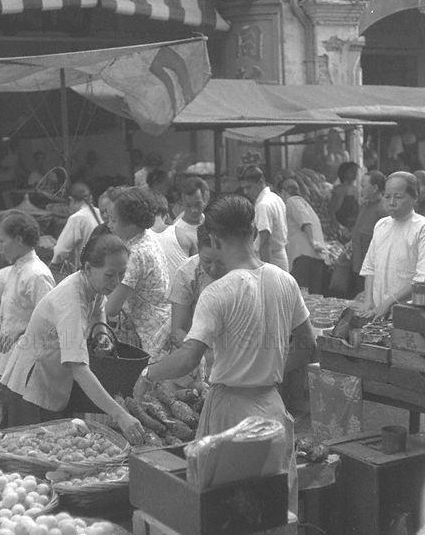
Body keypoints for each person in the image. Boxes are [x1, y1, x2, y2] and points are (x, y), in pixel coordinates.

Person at [134, 194, 315, 513]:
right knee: (273, 513)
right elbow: (309, 347)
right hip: (272, 407)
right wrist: (268, 371)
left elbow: (188, 357)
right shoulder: (285, 281)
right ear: (254, 234)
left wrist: (149, 373)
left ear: (214, 239)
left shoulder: (218, 292)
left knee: (225, 516)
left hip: (231, 413)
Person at [0, 225, 144, 443]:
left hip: (51, 384)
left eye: (121, 275)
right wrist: (120, 414)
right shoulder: (70, 302)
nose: (116, 283)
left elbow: (99, 309)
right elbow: (78, 368)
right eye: (109, 275)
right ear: (87, 268)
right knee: (29, 457)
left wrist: (102, 333)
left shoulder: (93, 287)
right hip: (29, 391)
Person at [0, 210, 55, 426]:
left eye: (1, 240)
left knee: (24, 430)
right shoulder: (17, 269)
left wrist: (20, 331)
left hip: (29, 368)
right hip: (12, 363)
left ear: (18, 239)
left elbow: (52, 321)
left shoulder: (37, 274)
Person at [105, 187, 170, 357]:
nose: (109, 225)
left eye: (113, 220)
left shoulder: (135, 254)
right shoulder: (148, 236)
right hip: (163, 322)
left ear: (131, 224)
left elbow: (111, 308)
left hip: (152, 336)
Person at [361, 171, 425, 319]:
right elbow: (370, 268)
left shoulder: (421, 228)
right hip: (378, 312)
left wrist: (389, 303)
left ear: (415, 197)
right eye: (387, 196)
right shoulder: (381, 225)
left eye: (398, 197)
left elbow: (421, 279)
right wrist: (368, 301)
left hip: (409, 314)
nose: (391, 202)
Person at [169, 224, 225, 348]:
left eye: (220, 262)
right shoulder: (187, 273)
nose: (213, 268)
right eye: (207, 261)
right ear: (198, 251)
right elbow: (178, 330)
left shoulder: (239, 271)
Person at [280, 178, 327, 293]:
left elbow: (305, 221)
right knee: (313, 297)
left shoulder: (292, 201)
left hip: (303, 257)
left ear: (284, 192)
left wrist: (313, 242)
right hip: (314, 257)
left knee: (302, 295)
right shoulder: (304, 204)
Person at [238, 165, 289, 271]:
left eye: (249, 187)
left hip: (271, 259)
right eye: (243, 188)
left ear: (260, 182)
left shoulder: (263, 205)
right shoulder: (275, 198)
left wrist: (265, 269)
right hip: (280, 256)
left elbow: (265, 239)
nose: (246, 192)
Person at [156, 176, 209, 273]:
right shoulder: (177, 231)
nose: (193, 210)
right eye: (188, 206)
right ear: (181, 203)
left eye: (198, 204)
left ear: (205, 199)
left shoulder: (208, 222)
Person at [51, 182, 102, 272]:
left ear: (71, 200)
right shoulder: (100, 213)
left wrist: (53, 265)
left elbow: (60, 251)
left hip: (89, 271)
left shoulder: (77, 218)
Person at [351, 170, 387, 278]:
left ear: (375, 188)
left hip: (372, 267)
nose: (361, 190)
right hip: (358, 263)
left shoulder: (383, 209)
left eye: (363, 186)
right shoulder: (365, 205)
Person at [328, 161, 359, 231]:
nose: (355, 173)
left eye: (355, 171)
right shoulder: (339, 190)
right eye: (352, 171)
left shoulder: (355, 189)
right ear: (344, 173)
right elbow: (331, 211)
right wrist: (339, 227)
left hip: (352, 228)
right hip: (340, 228)